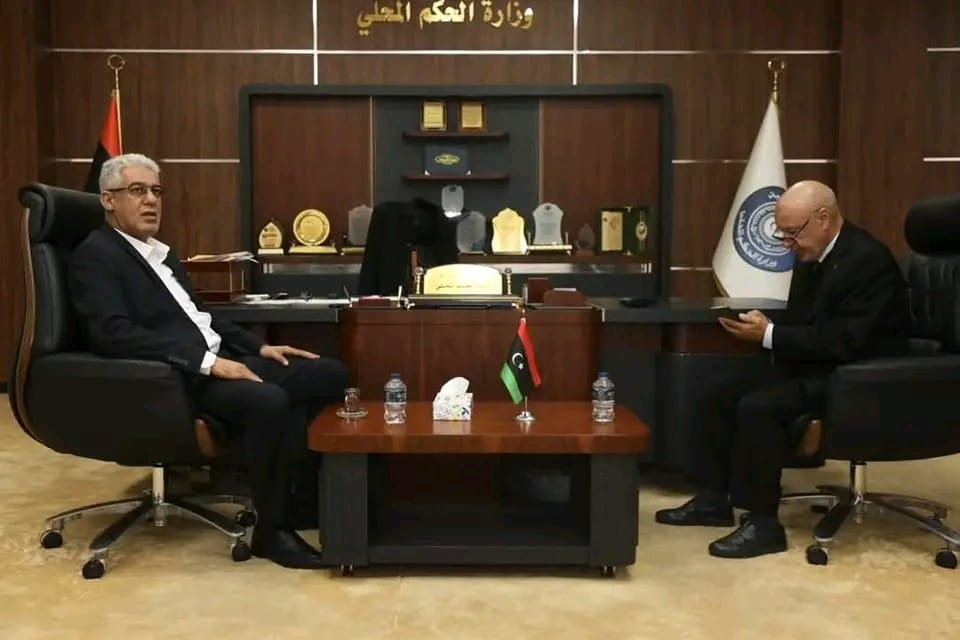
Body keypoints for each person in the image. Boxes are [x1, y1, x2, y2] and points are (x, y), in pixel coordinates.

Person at [68, 153, 349, 570]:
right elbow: (112, 334)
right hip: (178, 377)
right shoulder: (97, 255)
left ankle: (300, 505)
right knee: (268, 400)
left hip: (217, 360)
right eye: (137, 191)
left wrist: (258, 348)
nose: (151, 200)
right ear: (108, 200)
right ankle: (272, 533)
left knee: (328, 374)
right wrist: (207, 363)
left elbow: (202, 316)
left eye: (156, 191)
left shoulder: (159, 254)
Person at [655, 180, 912, 558]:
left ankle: (763, 524)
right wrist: (765, 329)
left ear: (823, 219)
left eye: (793, 232)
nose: (787, 243)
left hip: (859, 378)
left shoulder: (867, 260)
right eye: (783, 234)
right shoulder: (812, 254)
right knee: (716, 393)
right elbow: (805, 323)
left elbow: (847, 342)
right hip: (818, 366)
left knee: (759, 407)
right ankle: (714, 499)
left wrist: (770, 334)